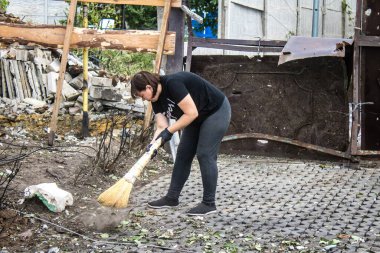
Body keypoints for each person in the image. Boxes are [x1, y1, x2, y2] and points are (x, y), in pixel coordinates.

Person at [131, 71, 231, 216]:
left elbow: (191, 113)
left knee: (204, 154)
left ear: (148, 88)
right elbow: (161, 126)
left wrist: (169, 131)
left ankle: (209, 203)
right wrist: (153, 145)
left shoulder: (172, 84)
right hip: (195, 116)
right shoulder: (155, 100)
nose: (143, 99)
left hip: (215, 111)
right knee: (183, 154)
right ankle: (171, 198)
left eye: (141, 95)